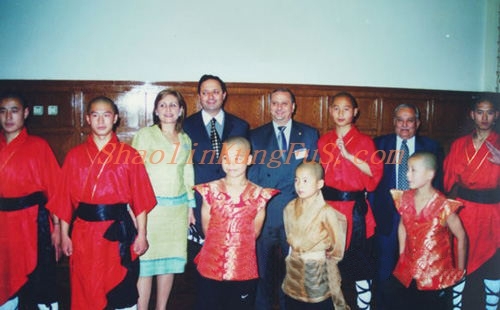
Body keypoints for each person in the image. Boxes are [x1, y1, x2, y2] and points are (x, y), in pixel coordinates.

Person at [52, 96, 157, 310]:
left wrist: (142, 234)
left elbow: (140, 199)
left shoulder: (129, 155)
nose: (101, 120)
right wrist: (64, 234)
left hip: (118, 232)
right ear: (88, 119)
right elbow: (64, 199)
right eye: (95, 115)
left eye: (106, 115)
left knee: (121, 288)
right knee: (86, 287)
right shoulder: (74, 156)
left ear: (115, 118)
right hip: (84, 234)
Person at [248, 87, 319, 310]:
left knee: (294, 270)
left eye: (284, 103)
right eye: (275, 103)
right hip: (265, 214)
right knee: (262, 271)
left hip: (295, 214)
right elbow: (253, 176)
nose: (279, 108)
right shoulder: (255, 136)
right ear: (269, 106)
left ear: (293, 107)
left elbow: (314, 172)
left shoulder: (308, 134)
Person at [368, 103, 444, 309]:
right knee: (384, 268)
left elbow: (438, 185)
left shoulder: (431, 147)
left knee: (416, 267)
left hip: (419, 217)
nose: (404, 125)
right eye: (400, 120)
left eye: (409, 120)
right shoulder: (378, 145)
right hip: (387, 216)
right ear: (393, 122)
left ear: (417, 123)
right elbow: (372, 182)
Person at [193, 136, 278, 310]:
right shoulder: (210, 190)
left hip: (243, 268)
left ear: (249, 160)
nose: (231, 163)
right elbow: (206, 228)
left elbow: (255, 232)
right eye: (226, 157)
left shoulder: (259, 195)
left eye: (238, 158)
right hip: (211, 265)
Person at [317, 91, 383, 310]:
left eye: (346, 109)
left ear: (355, 112)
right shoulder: (324, 140)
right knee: (328, 266)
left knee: (360, 266)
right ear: (330, 111)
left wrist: (349, 156)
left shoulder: (365, 141)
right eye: (336, 108)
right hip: (328, 209)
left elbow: (375, 175)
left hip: (355, 212)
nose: (341, 113)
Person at [131, 89, 196, 309]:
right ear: (156, 111)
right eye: (163, 105)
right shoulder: (145, 135)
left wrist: (190, 207)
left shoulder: (185, 139)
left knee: (169, 264)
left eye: (173, 105)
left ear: (180, 111)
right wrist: (134, 209)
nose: (168, 110)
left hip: (176, 211)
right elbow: (134, 174)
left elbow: (188, 173)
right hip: (150, 211)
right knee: (146, 265)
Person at [0, 92, 61, 310]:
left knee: (41, 278)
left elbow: (56, 191)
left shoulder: (39, 146)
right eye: (3, 111)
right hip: (3, 226)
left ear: (25, 113)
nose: (8, 116)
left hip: (34, 224)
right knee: (3, 276)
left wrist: (57, 230)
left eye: (14, 110)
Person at [386, 152, 466, 310]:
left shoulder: (443, 206)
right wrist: (402, 253)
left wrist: (460, 270)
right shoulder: (405, 198)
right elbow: (402, 224)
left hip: (435, 277)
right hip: (408, 273)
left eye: (413, 170)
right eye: (407, 169)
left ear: (430, 174)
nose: (407, 174)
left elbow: (461, 236)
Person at [443, 96, 500, 310]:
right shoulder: (459, 144)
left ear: (496, 116)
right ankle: (457, 306)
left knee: (493, 263)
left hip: (493, 213)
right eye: (480, 112)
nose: (484, 117)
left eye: (490, 112)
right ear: (472, 114)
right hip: (464, 211)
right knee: (460, 259)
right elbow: (448, 181)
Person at [183, 74, 250, 239]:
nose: (211, 97)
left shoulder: (241, 126)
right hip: (198, 203)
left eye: (215, 92)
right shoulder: (186, 126)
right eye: (205, 92)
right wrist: (188, 205)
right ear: (199, 96)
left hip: (232, 202)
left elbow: (247, 167)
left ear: (224, 95)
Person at [282, 162, 350, 310]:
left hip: (316, 275)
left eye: (305, 180)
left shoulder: (327, 213)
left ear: (320, 183)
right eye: (297, 180)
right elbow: (289, 235)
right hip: (293, 272)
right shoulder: (289, 208)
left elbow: (337, 249)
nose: (300, 185)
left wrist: (319, 260)